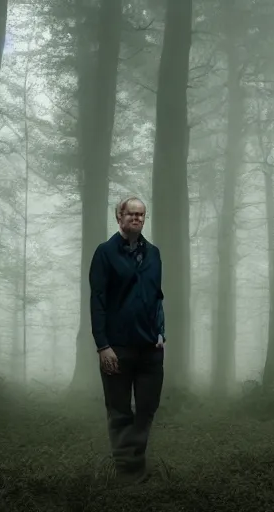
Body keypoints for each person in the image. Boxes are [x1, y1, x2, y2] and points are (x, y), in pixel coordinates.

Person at [89, 196, 166, 484]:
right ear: (118, 217)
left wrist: (161, 331)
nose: (137, 219)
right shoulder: (105, 253)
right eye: (131, 214)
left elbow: (158, 296)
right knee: (120, 412)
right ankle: (128, 475)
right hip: (117, 349)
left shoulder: (154, 254)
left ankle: (135, 467)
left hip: (150, 349)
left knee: (146, 410)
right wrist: (102, 346)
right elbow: (97, 301)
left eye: (141, 215)